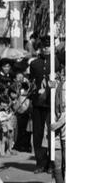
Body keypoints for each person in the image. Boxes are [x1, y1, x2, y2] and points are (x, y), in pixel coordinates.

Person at [28, 38, 52, 172]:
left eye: (48, 46)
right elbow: (32, 82)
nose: (45, 49)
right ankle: (40, 163)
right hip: (38, 103)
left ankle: (52, 163)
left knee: (51, 133)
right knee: (37, 133)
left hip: (52, 103)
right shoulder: (34, 63)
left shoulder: (56, 61)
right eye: (43, 46)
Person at [48, 63, 66, 183]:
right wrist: (51, 88)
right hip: (56, 133)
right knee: (57, 165)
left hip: (64, 131)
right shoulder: (57, 85)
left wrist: (58, 124)